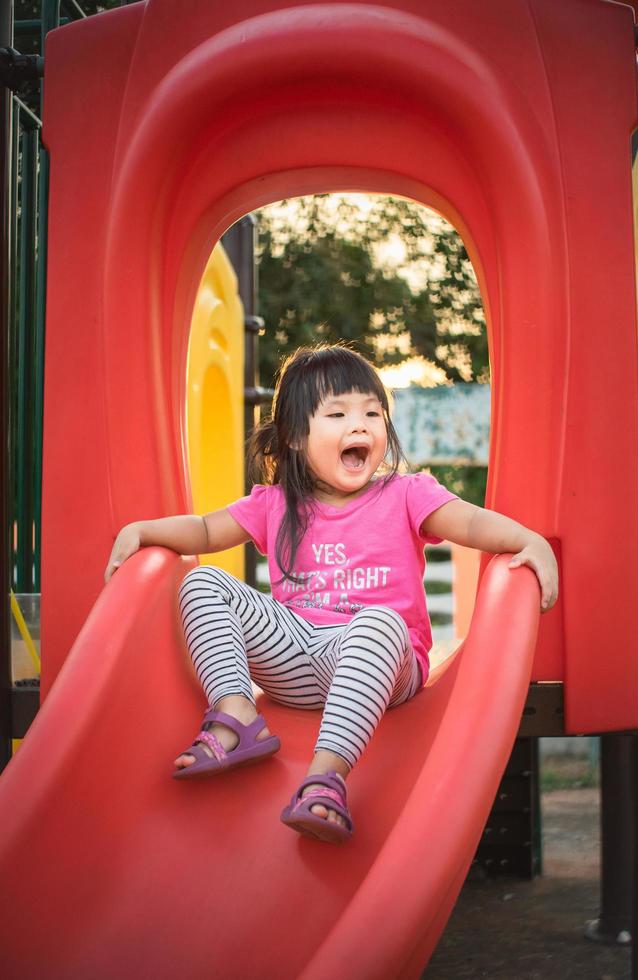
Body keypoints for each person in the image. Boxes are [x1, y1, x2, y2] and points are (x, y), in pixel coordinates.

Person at [104, 344, 558, 844]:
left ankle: (325, 779)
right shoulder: (276, 503)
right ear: (296, 437)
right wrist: (145, 530)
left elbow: (470, 521)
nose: (360, 425)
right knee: (202, 583)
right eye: (338, 413)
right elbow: (205, 531)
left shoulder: (406, 494)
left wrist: (527, 539)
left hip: (381, 662)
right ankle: (236, 714)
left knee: (378, 621)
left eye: (372, 412)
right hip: (295, 658)